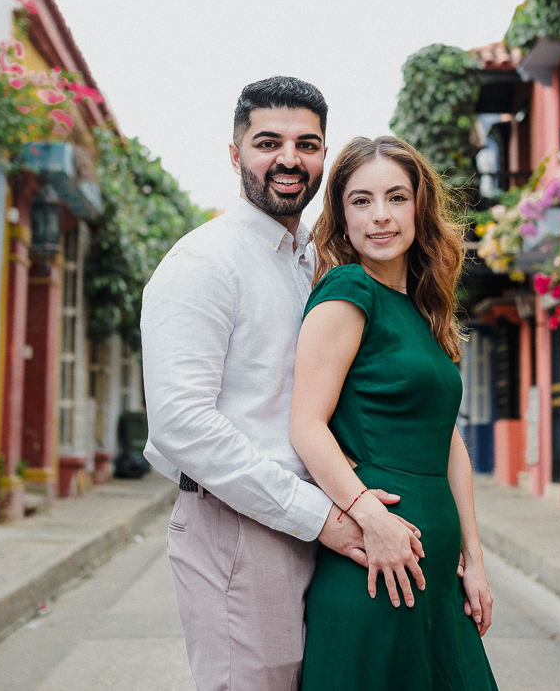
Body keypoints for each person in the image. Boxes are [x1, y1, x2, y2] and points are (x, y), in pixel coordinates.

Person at [141, 78, 422, 691]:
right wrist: (319, 515)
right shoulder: (203, 263)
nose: (290, 159)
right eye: (269, 141)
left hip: (318, 521)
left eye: (308, 143)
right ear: (235, 151)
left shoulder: (311, 263)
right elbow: (180, 423)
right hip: (242, 528)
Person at [291, 135, 499, 691]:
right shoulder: (348, 289)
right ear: (340, 214)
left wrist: (473, 557)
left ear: (419, 206)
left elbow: (447, 441)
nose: (380, 216)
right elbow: (306, 425)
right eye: (360, 201)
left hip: (434, 559)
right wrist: (369, 516)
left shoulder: (421, 306)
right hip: (378, 558)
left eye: (395, 198)